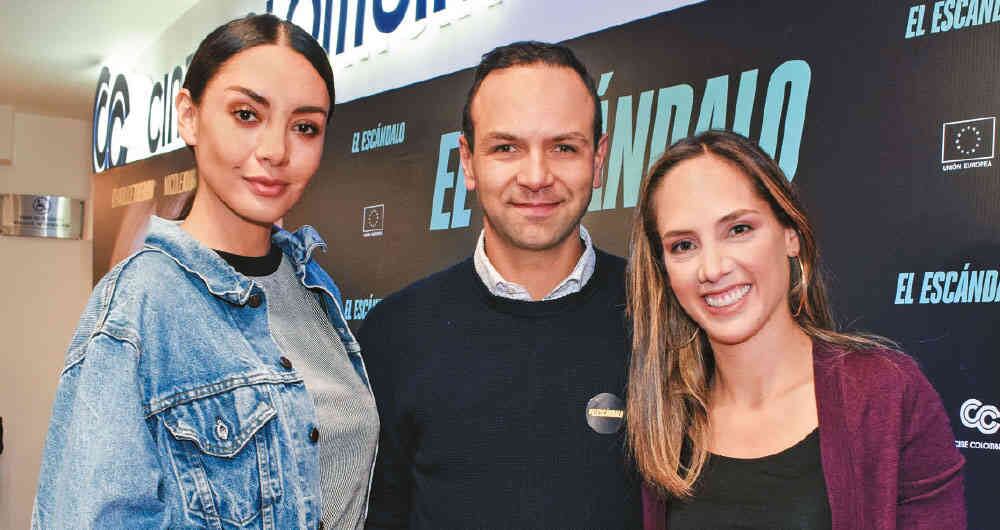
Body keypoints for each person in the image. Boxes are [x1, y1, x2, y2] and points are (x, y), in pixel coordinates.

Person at [32, 14, 378, 530]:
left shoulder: (313, 288)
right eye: (246, 114)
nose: (276, 151)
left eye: (304, 127)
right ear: (189, 117)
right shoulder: (138, 304)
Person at [359, 41, 642, 529]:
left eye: (563, 147)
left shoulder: (660, 316)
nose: (536, 176)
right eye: (506, 147)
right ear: (467, 161)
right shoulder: (394, 333)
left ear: (598, 160)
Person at [627, 130, 966, 529]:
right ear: (664, 269)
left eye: (738, 230)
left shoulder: (885, 394)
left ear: (790, 234)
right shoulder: (664, 418)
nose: (713, 268)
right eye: (684, 245)